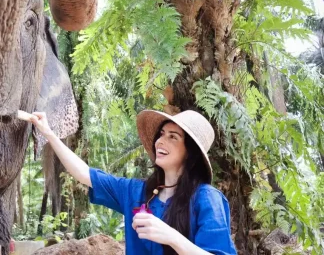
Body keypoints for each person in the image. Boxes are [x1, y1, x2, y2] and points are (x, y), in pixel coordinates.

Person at [28, 109, 237, 255]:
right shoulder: (136, 192)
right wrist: (48, 133)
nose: (161, 141)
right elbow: (85, 174)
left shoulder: (207, 199)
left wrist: (170, 236)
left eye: (173, 137)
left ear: (190, 154)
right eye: (161, 134)